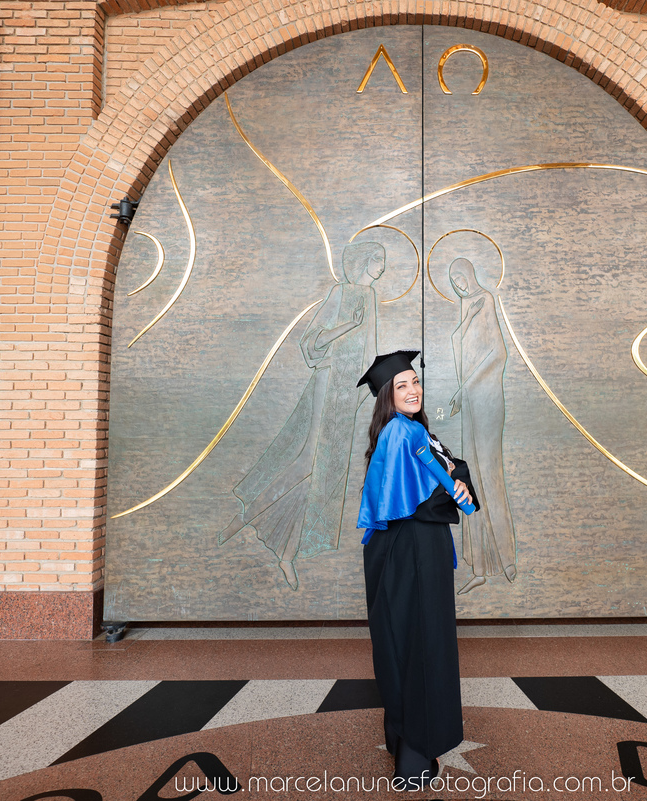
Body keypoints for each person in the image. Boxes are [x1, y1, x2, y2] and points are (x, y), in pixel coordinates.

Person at [217, 243, 385, 589]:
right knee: (309, 461)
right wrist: (345, 328)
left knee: (321, 477)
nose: (382, 266)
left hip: (349, 391)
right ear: (363, 261)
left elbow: (370, 352)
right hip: (328, 379)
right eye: (378, 258)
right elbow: (311, 342)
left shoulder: (369, 296)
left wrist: (365, 392)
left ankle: (287, 554)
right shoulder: (342, 292)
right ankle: (242, 519)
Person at [356, 350, 478, 788]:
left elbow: (447, 480)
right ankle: (413, 761)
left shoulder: (417, 433)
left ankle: (404, 744)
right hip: (412, 555)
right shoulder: (399, 434)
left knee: (405, 643)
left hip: (408, 554)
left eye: (415, 382)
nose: (412, 390)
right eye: (401, 385)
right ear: (387, 397)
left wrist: (457, 482)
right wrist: (449, 491)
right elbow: (405, 504)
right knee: (420, 646)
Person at [448, 257, 517, 593]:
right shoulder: (465, 308)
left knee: (489, 473)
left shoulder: (485, 300)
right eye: (453, 281)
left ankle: (505, 558)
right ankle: (479, 565)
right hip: (470, 402)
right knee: (469, 476)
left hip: (487, 399)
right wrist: (462, 391)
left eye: (461, 277)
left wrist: (467, 385)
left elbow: (497, 352)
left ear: (471, 274)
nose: (459, 285)